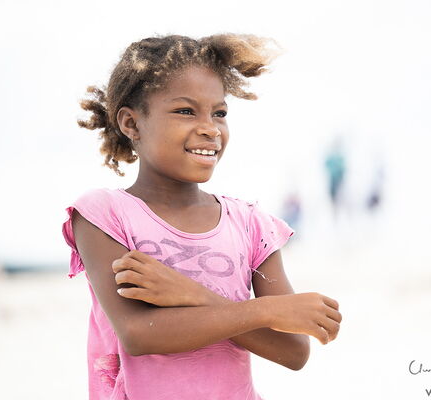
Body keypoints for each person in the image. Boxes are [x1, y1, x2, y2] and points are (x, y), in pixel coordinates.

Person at [61, 34, 342, 400]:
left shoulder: (251, 224)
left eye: (219, 113)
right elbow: (139, 333)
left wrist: (190, 293)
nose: (210, 128)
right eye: (185, 111)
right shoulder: (105, 214)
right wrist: (267, 310)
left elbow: (292, 352)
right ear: (132, 123)